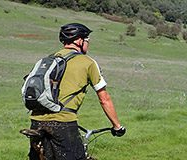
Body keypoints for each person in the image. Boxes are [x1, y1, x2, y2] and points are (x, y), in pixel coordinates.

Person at [28, 23, 125, 160]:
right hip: (63, 123)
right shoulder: (88, 62)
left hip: (36, 122)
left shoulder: (48, 60)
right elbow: (104, 99)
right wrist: (117, 126)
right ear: (79, 41)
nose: (88, 44)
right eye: (87, 40)